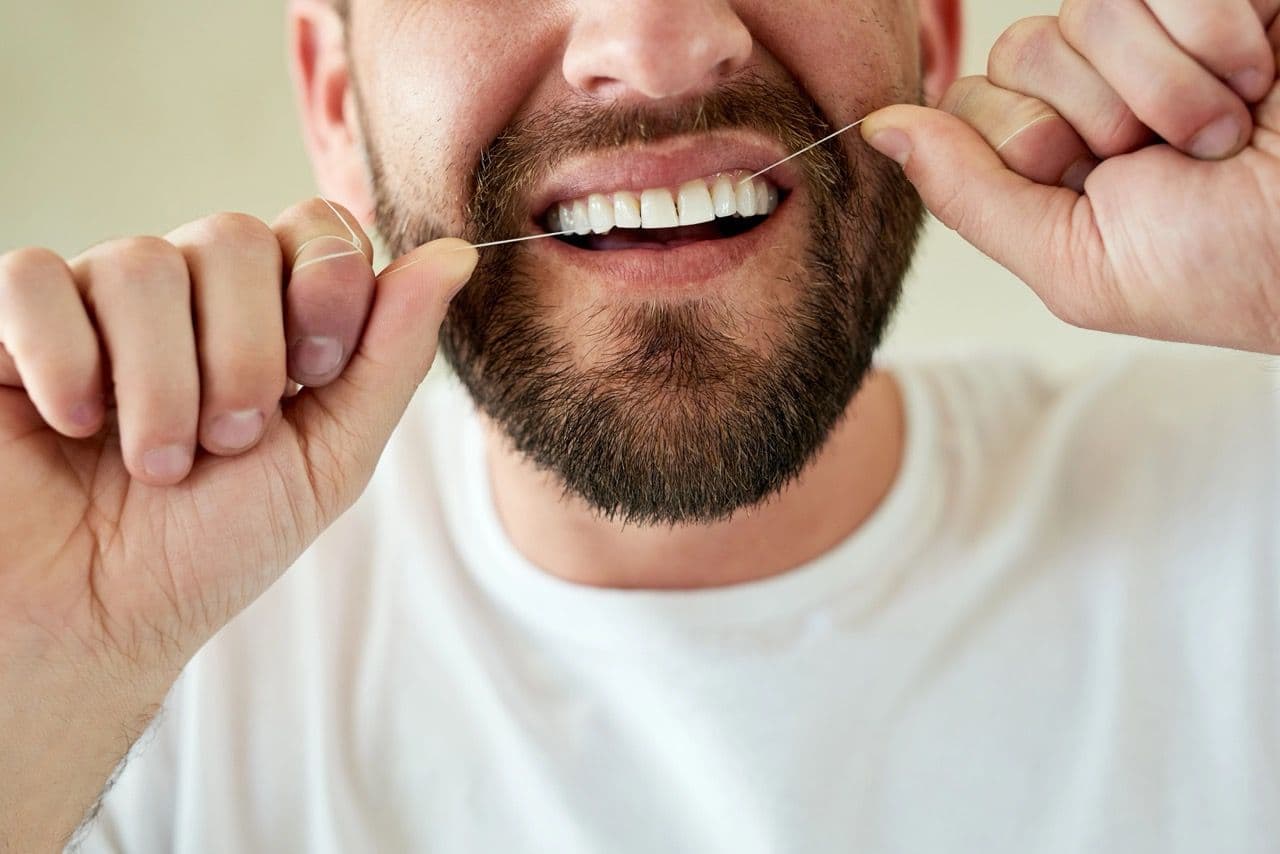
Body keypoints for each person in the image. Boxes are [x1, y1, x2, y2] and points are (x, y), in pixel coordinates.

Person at [2, 0, 1277, 850]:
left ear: (928, 39)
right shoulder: (137, 692)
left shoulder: (1244, 508)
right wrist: (41, 663)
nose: (655, 43)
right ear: (337, 103)